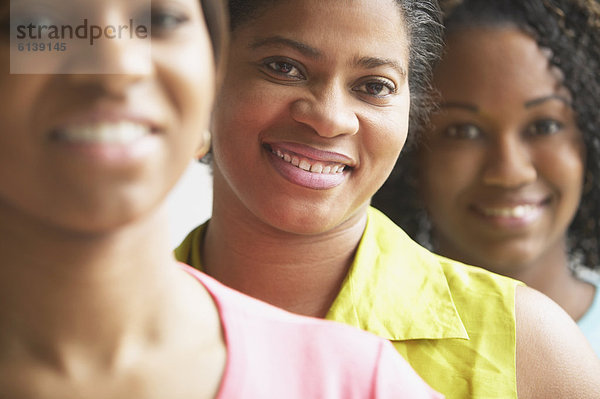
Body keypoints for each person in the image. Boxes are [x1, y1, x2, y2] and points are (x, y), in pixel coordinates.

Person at [0, 0, 445, 397]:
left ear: (209, 84)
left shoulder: (358, 381)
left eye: (162, 19)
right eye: (40, 25)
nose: (118, 68)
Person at [175, 0, 600, 397]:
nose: (329, 118)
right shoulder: (117, 324)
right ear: (207, 74)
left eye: (374, 86)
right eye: (284, 67)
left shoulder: (527, 347)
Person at [373, 0, 600, 358]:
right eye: (463, 131)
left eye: (544, 126)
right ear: (410, 146)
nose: (510, 173)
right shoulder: (362, 341)